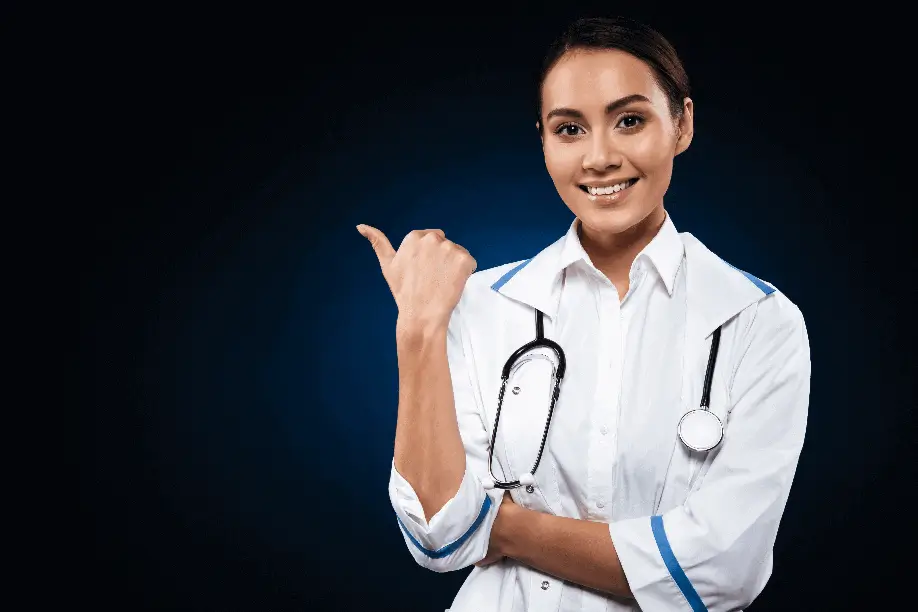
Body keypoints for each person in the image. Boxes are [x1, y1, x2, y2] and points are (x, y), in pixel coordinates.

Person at [357, 16, 810, 612]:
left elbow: (725, 570)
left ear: (682, 125)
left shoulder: (756, 321)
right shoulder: (479, 305)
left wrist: (506, 528)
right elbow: (437, 536)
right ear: (543, 142)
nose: (600, 157)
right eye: (569, 128)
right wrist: (418, 325)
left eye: (629, 120)